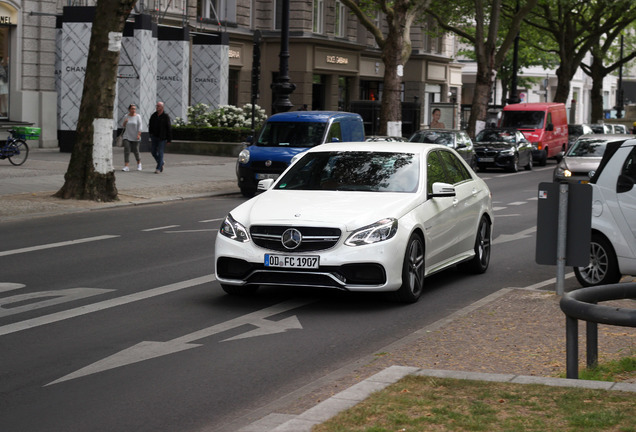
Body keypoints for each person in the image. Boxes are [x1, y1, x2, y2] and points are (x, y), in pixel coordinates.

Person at [148, 101, 172, 174]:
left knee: (160, 152)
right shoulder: (154, 115)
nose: (157, 107)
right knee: (153, 151)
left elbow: (169, 128)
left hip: (162, 137)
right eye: (156, 106)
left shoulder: (165, 116)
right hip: (154, 137)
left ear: (162, 107)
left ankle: (158, 168)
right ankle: (161, 162)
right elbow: (150, 125)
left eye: (158, 106)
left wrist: (169, 139)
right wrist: (151, 134)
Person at [121, 104, 143, 172]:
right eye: (132, 109)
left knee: (136, 151)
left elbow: (140, 126)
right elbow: (123, 126)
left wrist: (139, 134)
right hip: (127, 136)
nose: (133, 110)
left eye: (134, 109)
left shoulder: (138, 116)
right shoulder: (126, 116)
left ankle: (139, 163)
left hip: (135, 136)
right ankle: (126, 166)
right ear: (129, 109)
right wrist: (125, 122)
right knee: (127, 150)